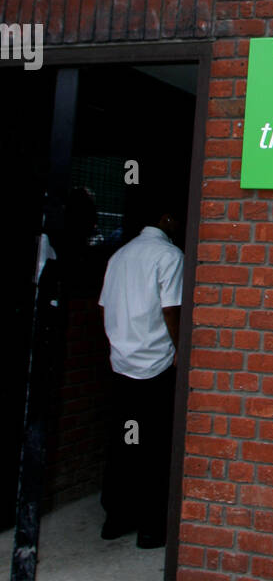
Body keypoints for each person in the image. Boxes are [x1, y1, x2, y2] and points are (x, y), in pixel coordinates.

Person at [98, 192, 184, 548]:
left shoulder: (119, 256)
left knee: (123, 444)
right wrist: (181, 349)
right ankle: (150, 528)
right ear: (166, 219)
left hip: (121, 366)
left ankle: (115, 518)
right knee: (155, 448)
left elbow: (104, 307)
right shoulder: (169, 256)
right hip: (156, 368)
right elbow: (170, 310)